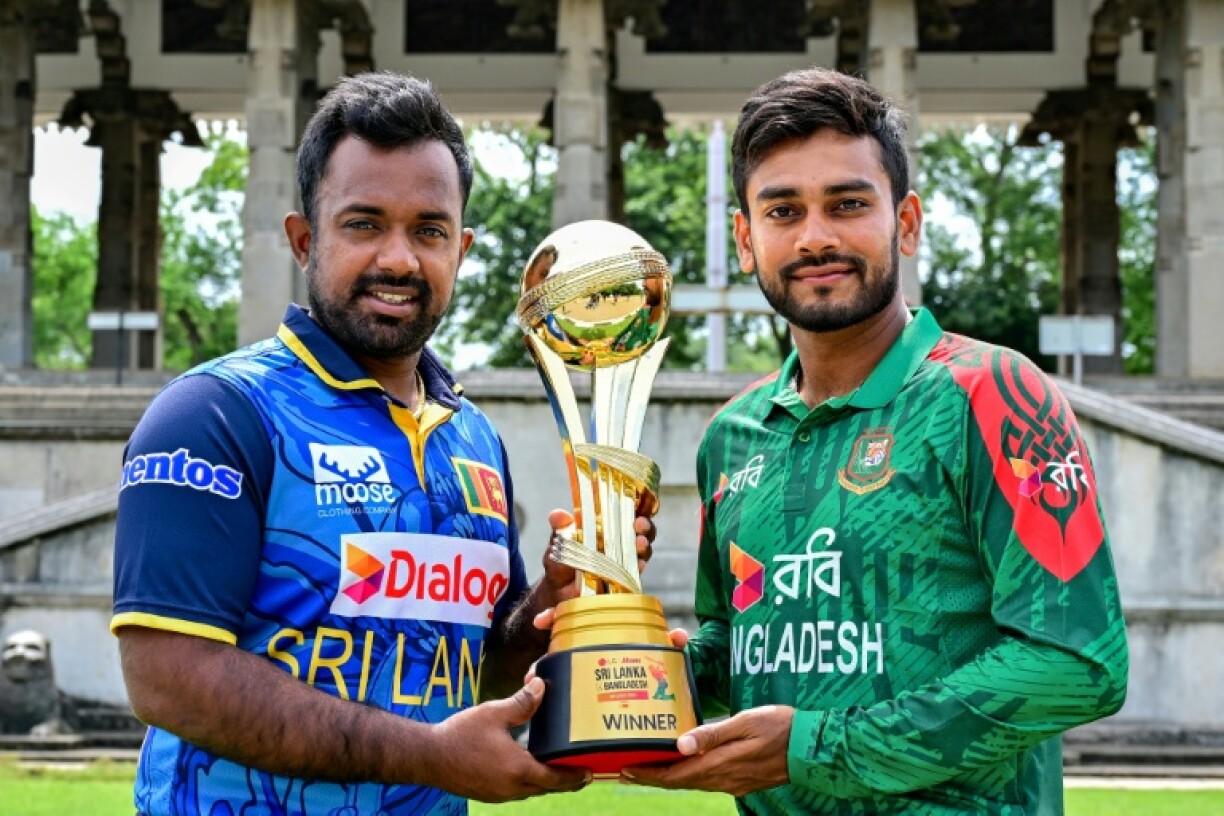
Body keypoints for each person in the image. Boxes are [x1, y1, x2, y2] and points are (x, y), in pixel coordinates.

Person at [111, 72, 653, 816]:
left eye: (428, 230)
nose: (399, 259)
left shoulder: (472, 435)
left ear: (459, 249)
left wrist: (550, 602)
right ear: (305, 238)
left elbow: (473, 671)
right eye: (364, 223)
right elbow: (167, 675)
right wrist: (432, 756)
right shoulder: (216, 413)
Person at [623, 67, 1128, 813]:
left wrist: (816, 748)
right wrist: (611, 663)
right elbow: (738, 652)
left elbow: (1079, 660)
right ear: (745, 238)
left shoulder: (990, 392)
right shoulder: (731, 438)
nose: (816, 236)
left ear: (908, 221)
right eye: (783, 210)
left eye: (849, 204)